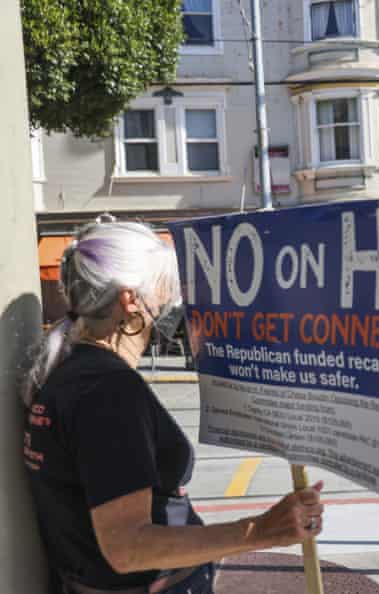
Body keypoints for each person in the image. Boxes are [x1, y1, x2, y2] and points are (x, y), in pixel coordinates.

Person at [22, 219, 325, 594]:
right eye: (165, 284)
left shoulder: (71, 371)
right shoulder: (108, 391)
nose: (173, 298)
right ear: (130, 299)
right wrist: (260, 531)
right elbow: (127, 548)